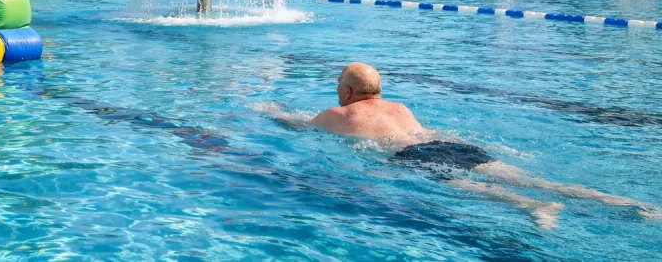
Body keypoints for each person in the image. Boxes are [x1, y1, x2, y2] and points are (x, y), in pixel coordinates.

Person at [261, 62, 658, 229]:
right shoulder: (399, 106)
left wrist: (269, 110)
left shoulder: (340, 114)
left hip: (413, 156)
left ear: (347, 91)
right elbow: (428, 132)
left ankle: (533, 206)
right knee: (524, 176)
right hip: (451, 143)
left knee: (469, 187)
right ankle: (628, 204)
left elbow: (297, 124)